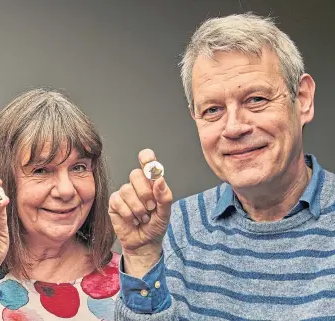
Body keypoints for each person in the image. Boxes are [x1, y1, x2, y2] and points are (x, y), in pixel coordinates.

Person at [109, 13, 335, 320]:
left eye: (256, 99)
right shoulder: (173, 230)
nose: (234, 127)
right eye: (213, 109)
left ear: (303, 99)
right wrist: (144, 258)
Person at [0, 88, 120, 321]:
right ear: (5, 181)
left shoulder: (130, 284)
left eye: (79, 167)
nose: (66, 190)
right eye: (41, 170)